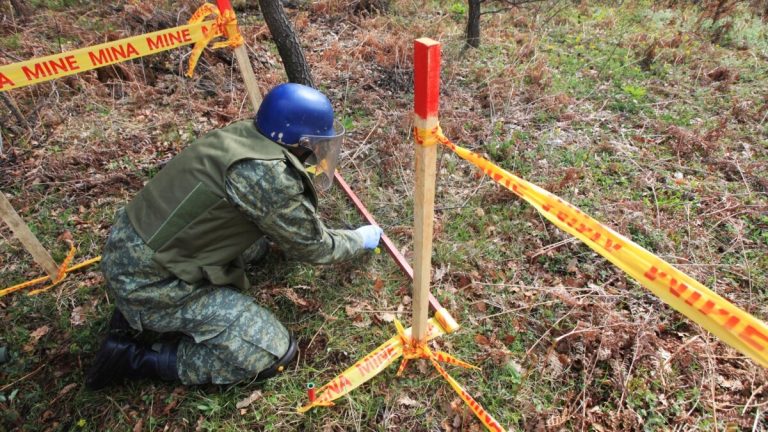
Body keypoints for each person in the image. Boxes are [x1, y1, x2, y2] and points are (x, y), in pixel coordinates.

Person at [86, 83, 383, 390]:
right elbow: (315, 247)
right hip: (150, 283)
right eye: (314, 144)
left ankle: (137, 313)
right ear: (300, 141)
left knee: (256, 248)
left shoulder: (245, 135)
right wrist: (359, 240)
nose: (318, 152)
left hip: (130, 248)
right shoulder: (266, 176)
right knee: (271, 350)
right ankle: (132, 357)